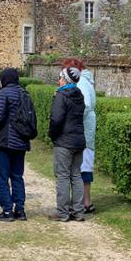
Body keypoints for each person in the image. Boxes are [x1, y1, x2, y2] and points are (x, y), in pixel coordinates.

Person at [0, 68, 30, 221]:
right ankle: (20, 210)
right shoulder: (25, 94)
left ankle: (7, 211)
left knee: (2, 177)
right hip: (21, 141)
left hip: (4, 141)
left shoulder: (3, 93)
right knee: (17, 176)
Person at [47, 66, 86, 222]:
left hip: (64, 141)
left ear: (64, 79)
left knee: (62, 176)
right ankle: (78, 212)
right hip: (78, 140)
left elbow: (56, 119)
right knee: (76, 175)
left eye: (59, 77)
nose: (58, 80)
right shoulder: (80, 95)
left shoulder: (61, 95)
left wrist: (52, 134)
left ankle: (62, 212)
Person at [63, 57, 97, 214]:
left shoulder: (82, 83)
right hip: (85, 129)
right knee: (84, 166)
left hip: (83, 130)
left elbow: (86, 105)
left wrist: (72, 116)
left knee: (83, 167)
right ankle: (84, 201)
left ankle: (85, 202)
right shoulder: (86, 81)